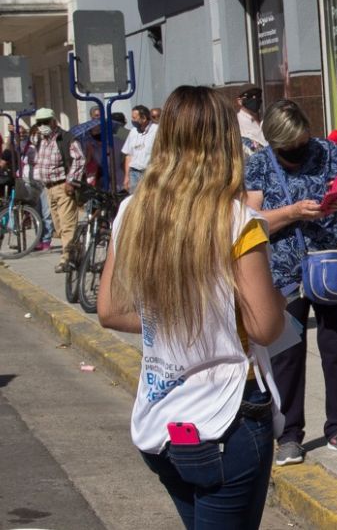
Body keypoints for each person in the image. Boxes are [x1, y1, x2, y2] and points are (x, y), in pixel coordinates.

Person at [97, 85, 286, 529]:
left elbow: (109, 310)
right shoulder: (238, 221)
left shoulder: (131, 211)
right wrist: (276, 299)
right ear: (226, 141)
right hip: (226, 417)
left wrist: (175, 322)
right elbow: (265, 327)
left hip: (160, 417)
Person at [244, 100, 337, 465]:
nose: (298, 152)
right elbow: (250, 221)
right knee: (286, 356)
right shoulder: (259, 164)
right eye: (289, 147)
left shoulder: (328, 152)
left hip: (332, 267)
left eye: (302, 142)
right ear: (274, 142)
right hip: (284, 274)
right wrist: (292, 212)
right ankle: (288, 435)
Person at [31, 107, 84, 272]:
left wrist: (71, 181)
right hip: (48, 188)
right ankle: (78, 253)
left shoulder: (65, 138)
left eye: (45, 122)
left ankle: (66, 260)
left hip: (63, 186)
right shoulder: (41, 139)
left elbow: (79, 159)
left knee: (67, 225)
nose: (42, 125)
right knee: (59, 227)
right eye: (39, 122)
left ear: (54, 121)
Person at [122, 105, 158, 193]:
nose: (132, 120)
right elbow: (129, 155)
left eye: (134, 118)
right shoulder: (133, 132)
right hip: (134, 173)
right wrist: (127, 176)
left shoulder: (157, 130)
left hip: (149, 172)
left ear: (144, 118)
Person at [237, 87, 267, 157]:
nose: (254, 99)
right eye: (249, 96)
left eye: (258, 96)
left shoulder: (265, 121)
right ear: (239, 101)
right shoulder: (237, 123)